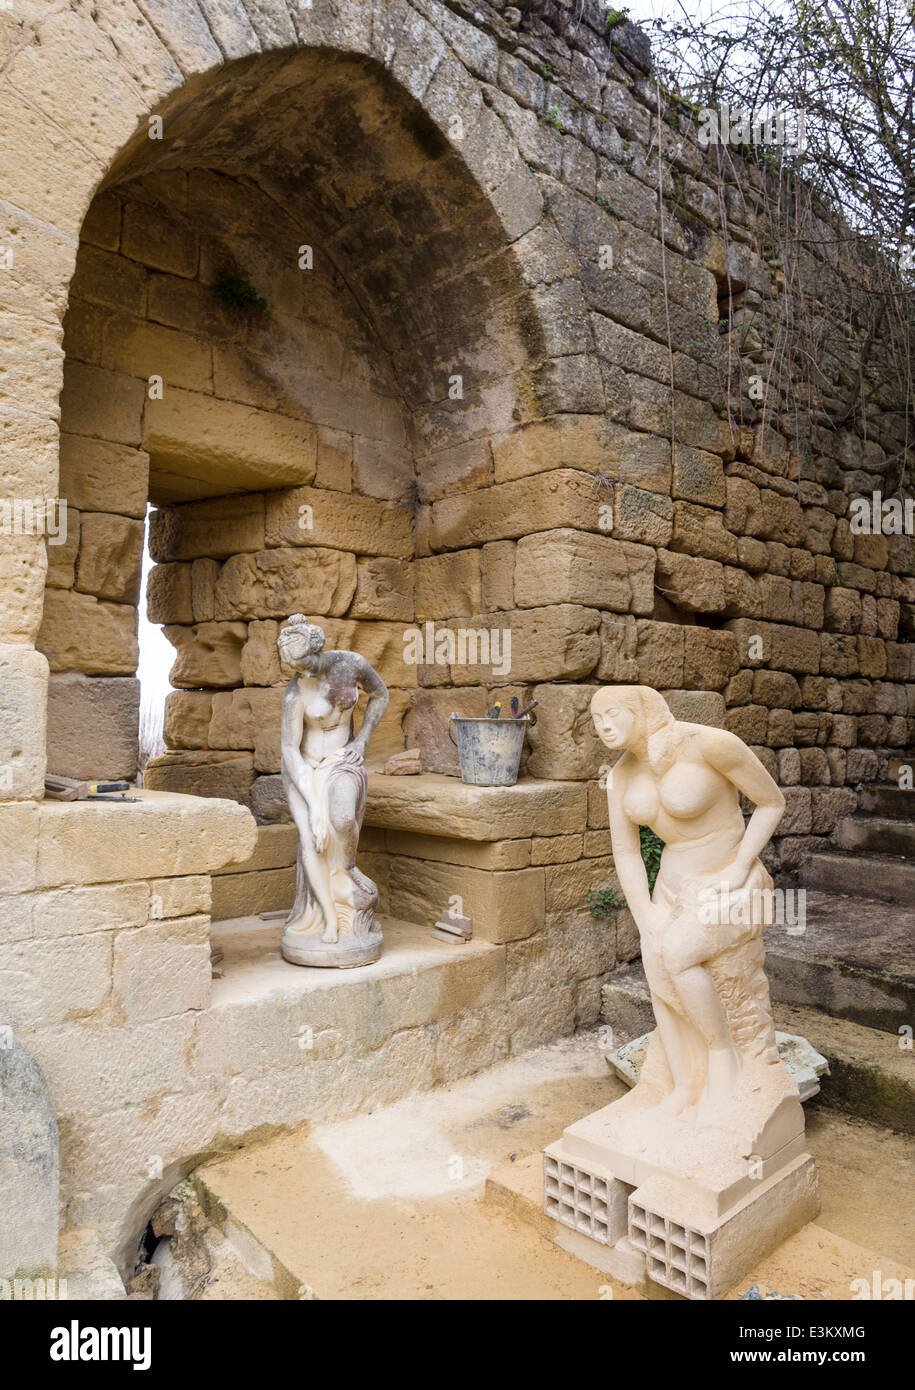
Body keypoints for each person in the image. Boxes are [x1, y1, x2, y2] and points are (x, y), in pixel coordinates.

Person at [592, 685, 786, 1127]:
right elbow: (626, 853)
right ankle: (684, 1085)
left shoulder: (710, 744)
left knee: (677, 952)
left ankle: (724, 1057)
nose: (603, 725)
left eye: (613, 713)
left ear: (641, 712)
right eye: (595, 717)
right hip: (671, 884)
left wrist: (739, 866)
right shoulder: (621, 775)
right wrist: (645, 915)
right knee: (657, 965)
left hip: (728, 882)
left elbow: (771, 802)